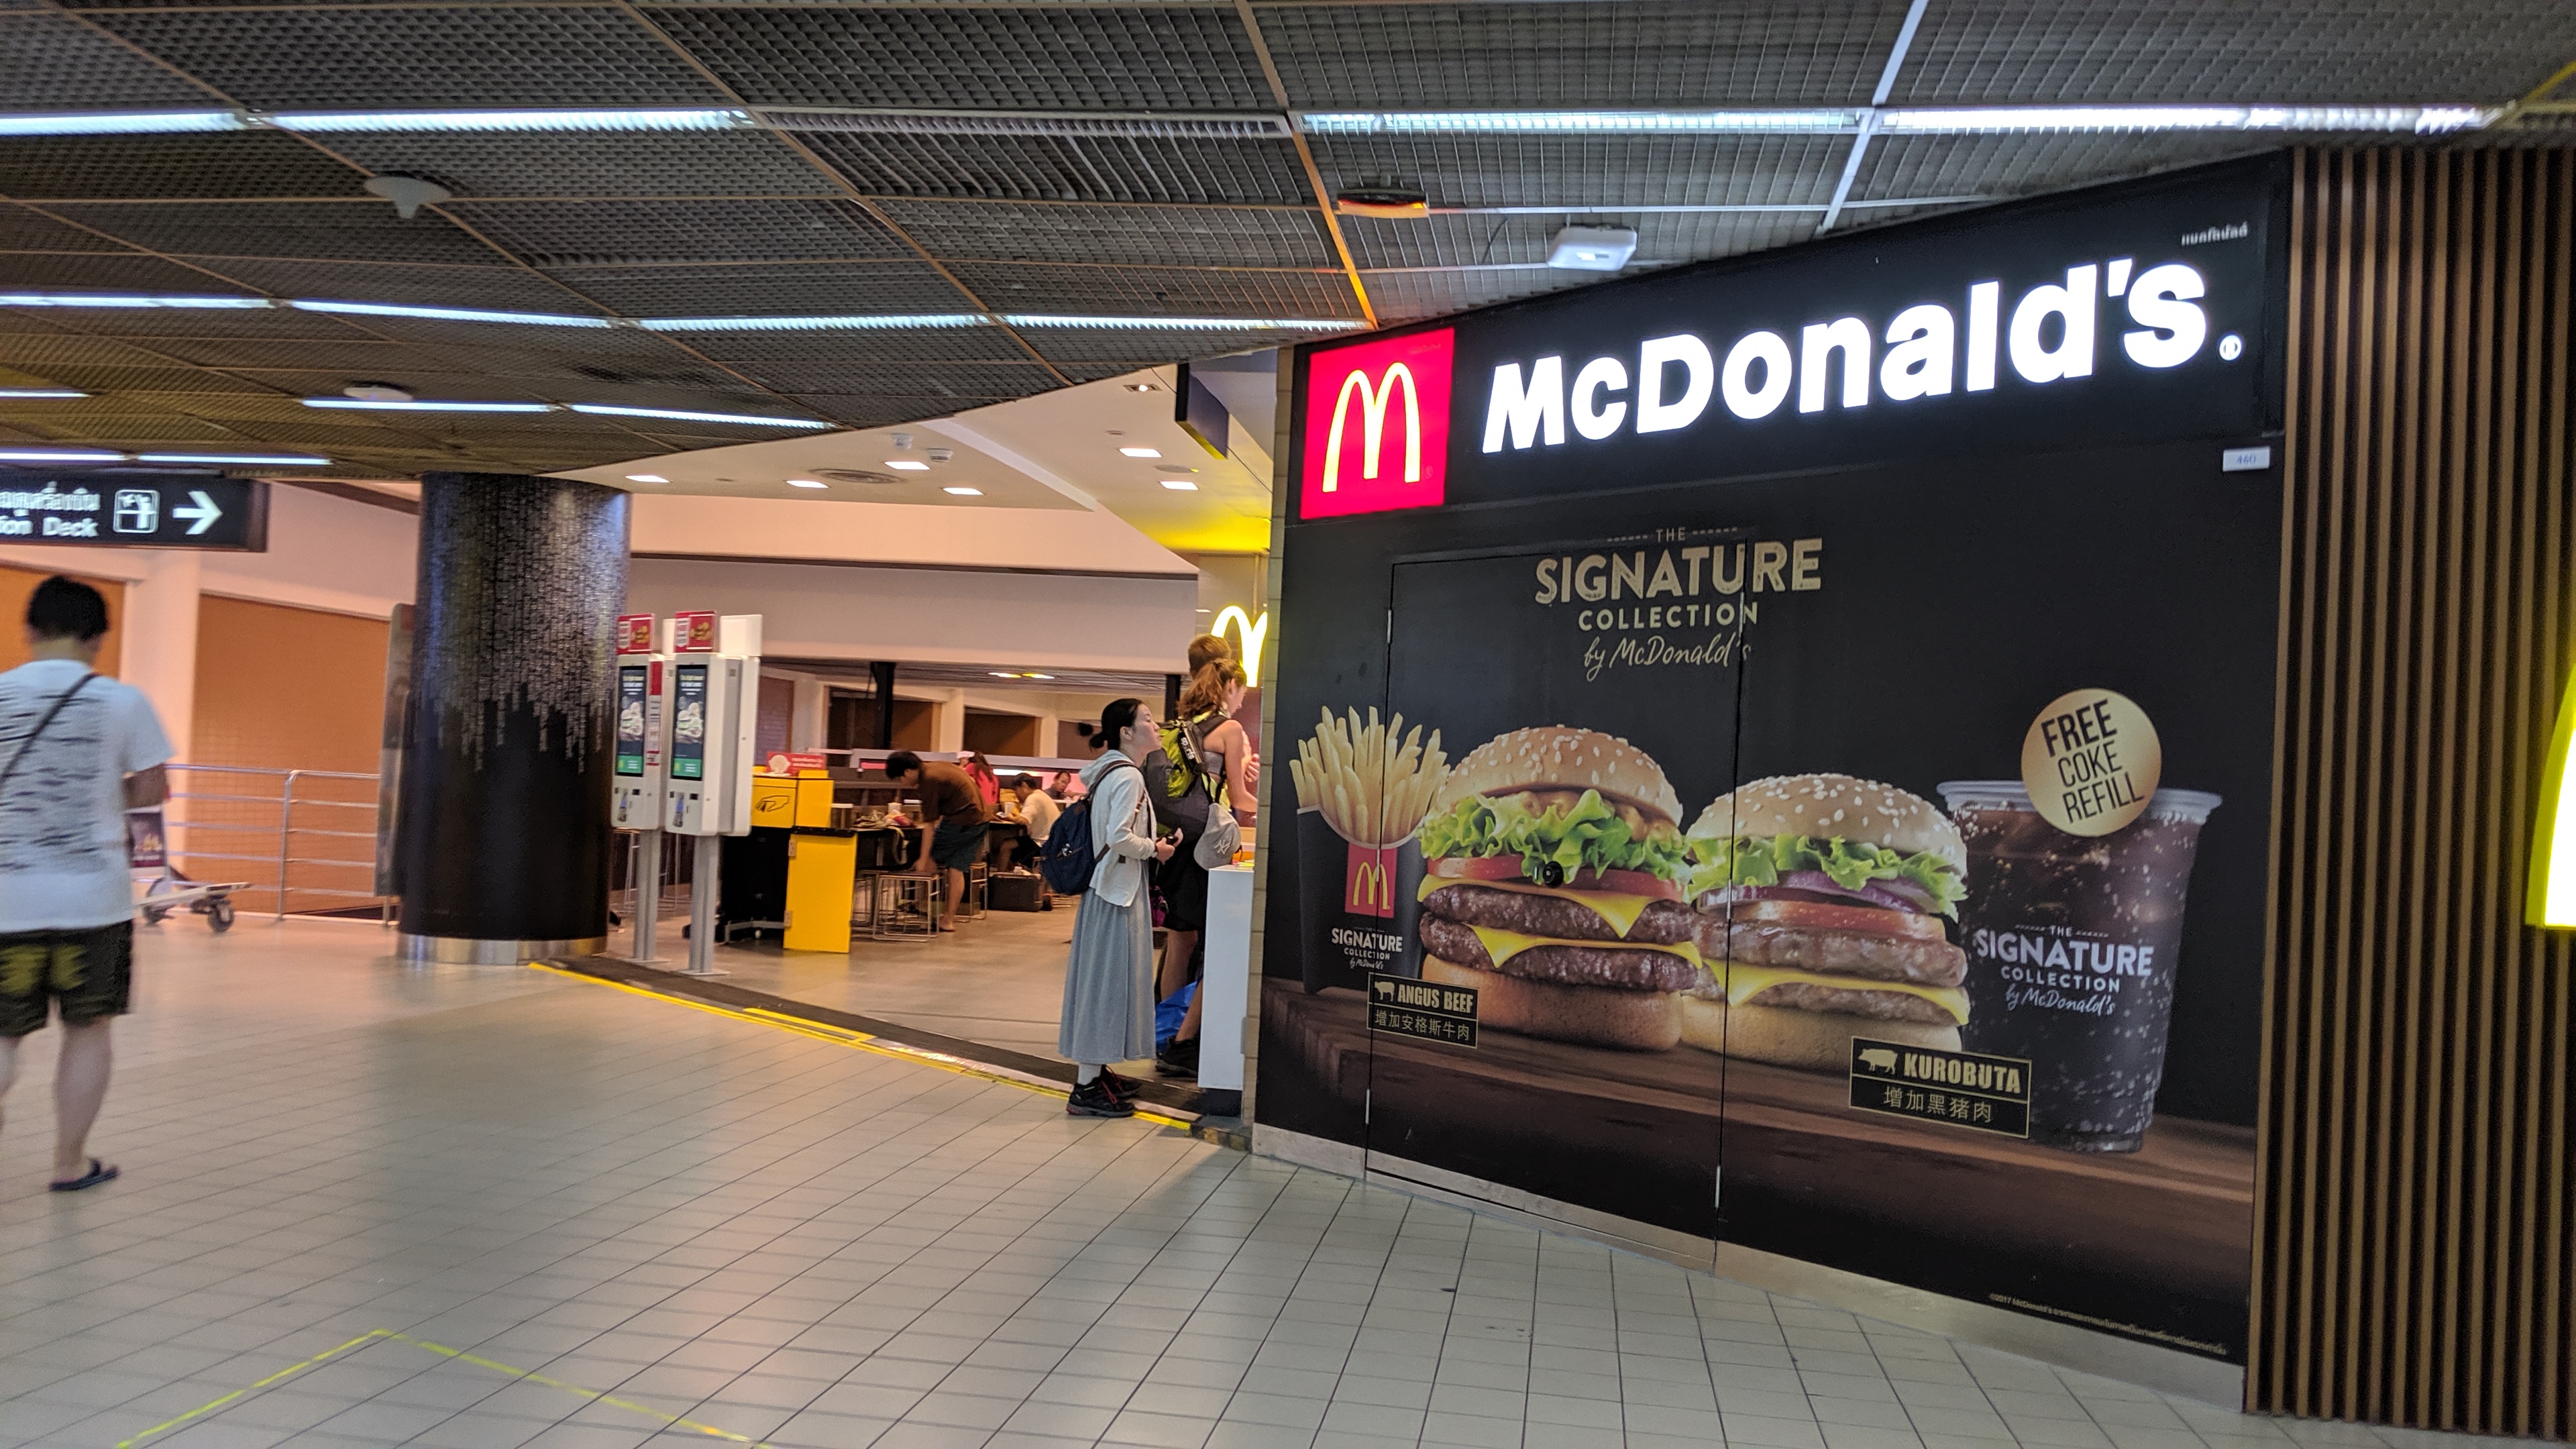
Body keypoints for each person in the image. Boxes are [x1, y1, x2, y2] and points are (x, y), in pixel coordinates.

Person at [0, 578, 172, 1193]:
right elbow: (151, 794)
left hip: (6, 901)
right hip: (92, 903)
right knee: (87, 1028)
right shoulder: (124, 702)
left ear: (30, 630)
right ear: (99, 638)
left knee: (3, 1033)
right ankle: (69, 1163)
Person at [1060, 699, 1172, 1117]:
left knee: (1103, 986)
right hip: (1117, 895)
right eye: (1146, 719)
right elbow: (1120, 837)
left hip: (1107, 891)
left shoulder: (1109, 772)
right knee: (1106, 988)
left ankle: (1097, 1072)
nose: (1155, 725)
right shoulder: (1127, 778)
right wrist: (1156, 849)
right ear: (1127, 732)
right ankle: (1086, 1087)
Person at [1151, 656, 1259, 1078]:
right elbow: (1239, 798)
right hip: (1203, 850)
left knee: (1179, 940)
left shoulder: (1177, 728)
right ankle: (1185, 1044)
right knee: (1215, 945)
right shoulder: (1229, 730)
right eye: (1242, 692)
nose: (1241, 700)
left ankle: (1164, 1034)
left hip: (1172, 846)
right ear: (1230, 685)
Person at [883, 750, 989, 932]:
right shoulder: (935, 766)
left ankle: (922, 906)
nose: (902, 783)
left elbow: (929, 826)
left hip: (963, 820)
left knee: (928, 855)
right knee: (957, 867)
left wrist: (924, 860)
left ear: (908, 772)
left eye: (900, 778)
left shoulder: (928, 780)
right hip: (980, 820)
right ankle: (947, 919)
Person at [1017, 772, 1061, 846]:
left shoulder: (1033, 798)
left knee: (1006, 845)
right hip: (1054, 840)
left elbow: (1023, 820)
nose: (1017, 794)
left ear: (1024, 786)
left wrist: (1009, 816)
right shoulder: (1040, 794)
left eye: (1016, 790)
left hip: (1042, 842)